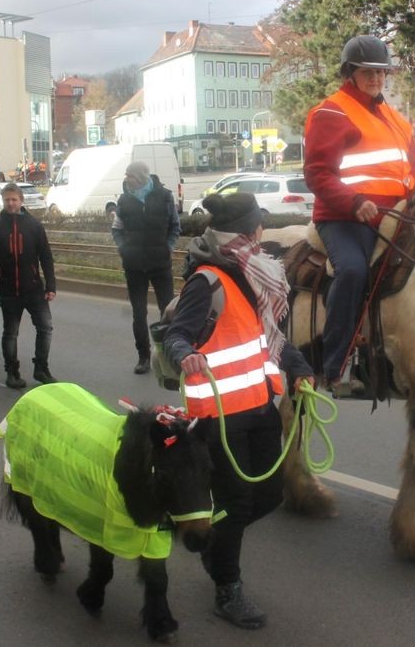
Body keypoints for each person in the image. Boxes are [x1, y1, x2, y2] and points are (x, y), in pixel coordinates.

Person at [163, 192, 314, 630]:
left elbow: (269, 342)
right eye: (258, 225)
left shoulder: (257, 274)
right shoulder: (209, 280)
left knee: (270, 494)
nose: (262, 232)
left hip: (258, 408)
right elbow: (178, 335)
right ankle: (227, 587)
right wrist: (183, 353)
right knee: (239, 499)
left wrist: (299, 370)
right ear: (250, 232)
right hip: (218, 418)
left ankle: (211, 540)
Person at [302, 34, 415, 393]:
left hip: (393, 215)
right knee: (352, 271)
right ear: (350, 72)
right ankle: (333, 366)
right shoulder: (331, 112)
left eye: (381, 73)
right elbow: (317, 173)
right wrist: (353, 202)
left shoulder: (396, 119)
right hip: (344, 218)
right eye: (368, 72)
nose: (376, 79)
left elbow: (410, 175)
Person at [0, 183, 57, 389]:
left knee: (45, 327)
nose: (11, 203)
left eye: (14, 199)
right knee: (10, 333)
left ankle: (41, 368)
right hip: (8, 291)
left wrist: (51, 286)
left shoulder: (34, 226)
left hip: (33, 289)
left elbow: (46, 258)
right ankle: (12, 372)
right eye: (7, 200)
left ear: (21, 200)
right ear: (3, 201)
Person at [111, 160, 180, 374]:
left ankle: (170, 356)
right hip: (134, 266)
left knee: (167, 311)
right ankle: (143, 356)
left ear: (140, 176)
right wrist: (123, 248)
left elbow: (175, 226)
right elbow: (117, 229)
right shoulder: (124, 200)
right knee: (138, 313)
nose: (127, 179)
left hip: (160, 263)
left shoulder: (165, 196)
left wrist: (167, 247)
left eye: (129, 175)